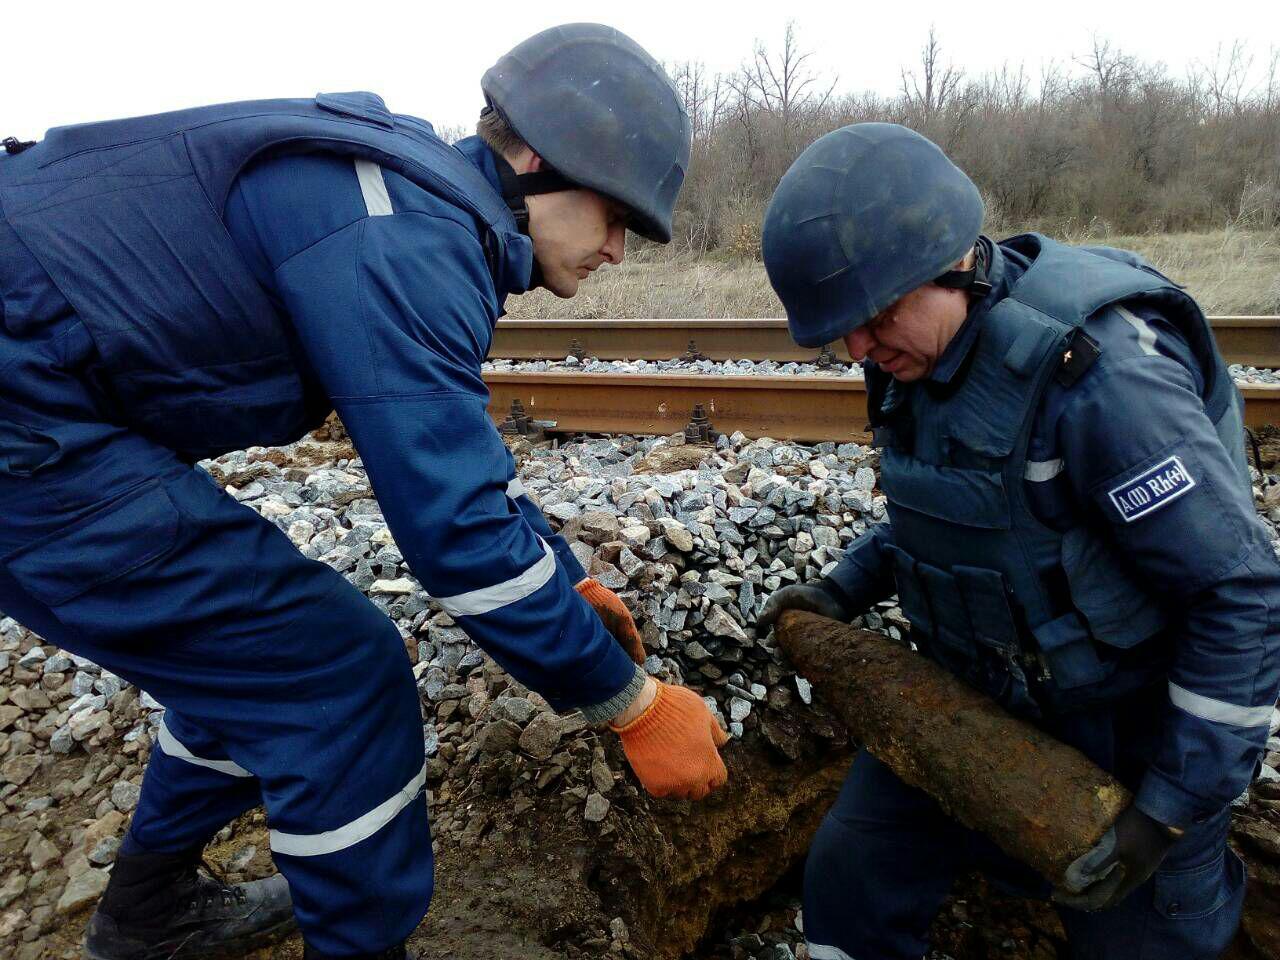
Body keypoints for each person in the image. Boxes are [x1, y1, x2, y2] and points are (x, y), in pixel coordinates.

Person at [0, 23, 728, 960]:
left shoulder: (402, 196)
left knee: (255, 657)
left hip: (45, 404)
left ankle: (148, 920)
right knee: (334, 678)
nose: (621, 250)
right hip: (28, 420)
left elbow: (451, 461)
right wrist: (628, 701)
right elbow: (455, 536)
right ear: (543, 156)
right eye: (619, 213)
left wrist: (561, 580)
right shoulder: (406, 237)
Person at [757, 122, 1280, 960]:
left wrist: (1166, 812)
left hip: (1129, 732)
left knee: (1143, 943)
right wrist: (844, 587)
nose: (856, 348)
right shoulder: (919, 352)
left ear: (955, 264)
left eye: (873, 317)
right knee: (848, 881)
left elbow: (1242, 593)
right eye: (841, 330)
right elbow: (973, 512)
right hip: (976, 693)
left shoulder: (1102, 379)